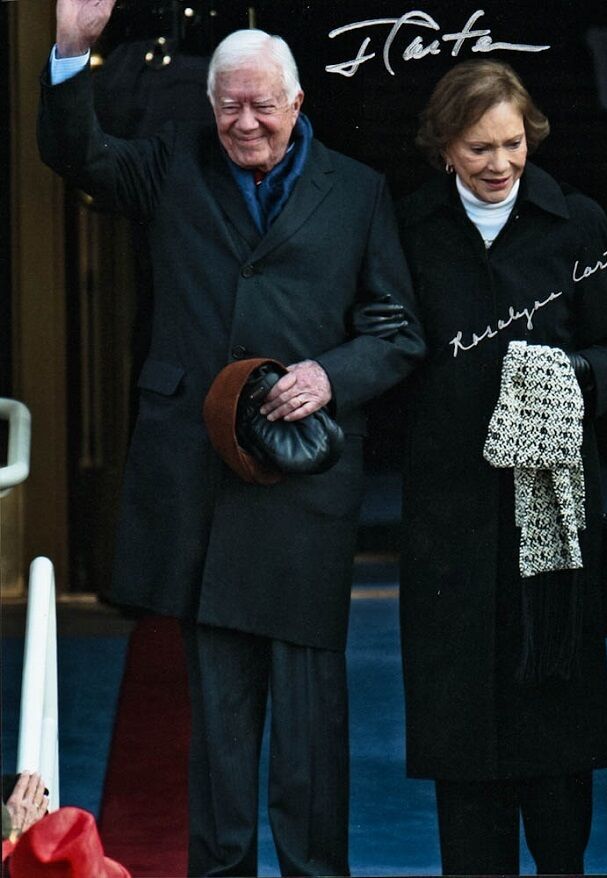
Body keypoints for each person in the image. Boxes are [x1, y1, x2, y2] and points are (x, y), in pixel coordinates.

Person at [38, 2, 424, 875]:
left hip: (306, 482)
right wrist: (69, 50)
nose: (244, 122)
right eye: (228, 106)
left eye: (262, 105)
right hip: (202, 475)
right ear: (208, 105)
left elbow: (397, 330)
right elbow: (78, 154)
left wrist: (331, 374)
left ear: (296, 102)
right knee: (216, 715)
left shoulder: (358, 190)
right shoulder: (174, 165)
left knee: (311, 719)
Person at [397, 60, 607, 876]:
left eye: (512, 145)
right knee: (461, 735)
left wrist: (570, 379)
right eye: (478, 149)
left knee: (556, 732)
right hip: (451, 520)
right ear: (444, 151)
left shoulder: (577, 223)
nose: (499, 164)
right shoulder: (411, 229)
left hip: (555, 524)